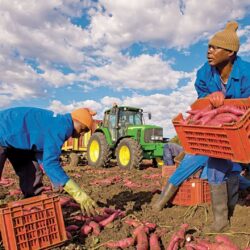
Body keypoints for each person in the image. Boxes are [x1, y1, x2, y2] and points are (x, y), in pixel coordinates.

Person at [194, 20, 250, 232]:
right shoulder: (204, 73)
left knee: (235, 165)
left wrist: (228, 103)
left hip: (245, 126)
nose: (209, 51)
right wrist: (209, 98)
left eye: (215, 47)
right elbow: (201, 95)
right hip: (219, 129)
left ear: (230, 53)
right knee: (216, 162)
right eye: (209, 46)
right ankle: (221, 219)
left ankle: (232, 207)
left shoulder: (247, 72)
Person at [0, 107, 98, 216]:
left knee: (32, 172)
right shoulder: (62, 127)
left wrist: (56, 181)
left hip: (18, 142)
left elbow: (42, 153)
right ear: (76, 120)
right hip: (3, 129)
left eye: (85, 132)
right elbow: (50, 163)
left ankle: (33, 208)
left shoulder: (60, 124)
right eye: (83, 129)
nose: (82, 134)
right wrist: (78, 193)